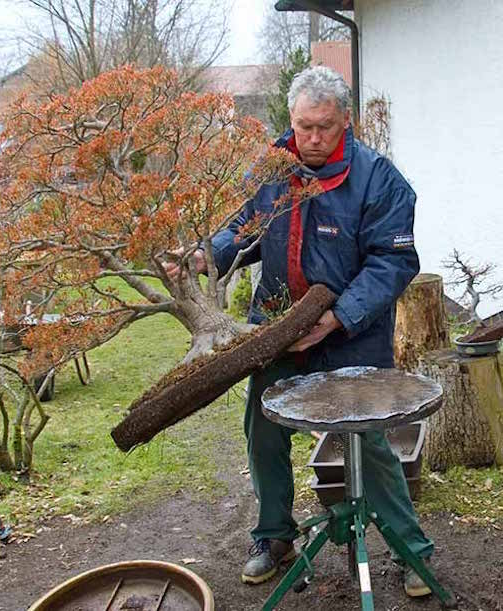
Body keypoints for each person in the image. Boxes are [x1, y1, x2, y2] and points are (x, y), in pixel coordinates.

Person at [168, 66, 433, 598]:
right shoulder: (271, 169)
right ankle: (273, 537)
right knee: (262, 426)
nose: (311, 138)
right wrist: (202, 256)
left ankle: (412, 551)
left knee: (368, 441)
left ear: (346, 122)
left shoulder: (380, 180)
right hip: (278, 330)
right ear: (291, 119)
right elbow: (241, 229)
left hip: (351, 334)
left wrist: (336, 317)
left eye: (324, 128)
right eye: (303, 126)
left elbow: (394, 262)